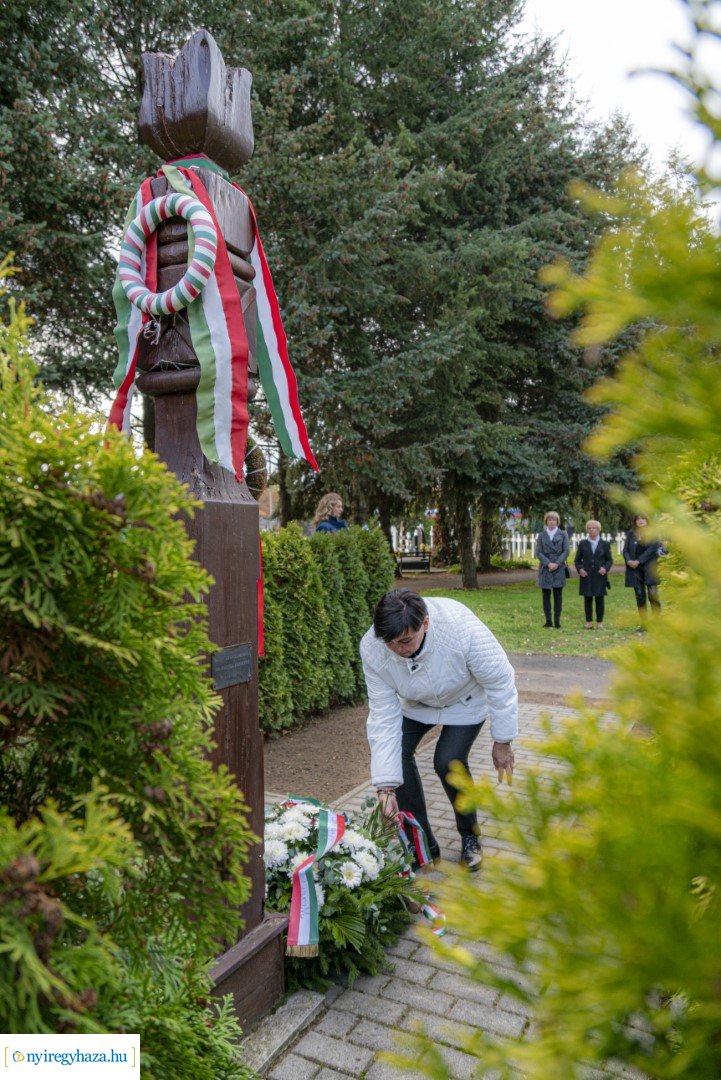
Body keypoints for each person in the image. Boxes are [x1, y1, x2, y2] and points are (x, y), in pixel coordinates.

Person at [360, 589, 518, 872]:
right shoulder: (372, 647)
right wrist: (385, 786)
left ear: (425, 624)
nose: (398, 649)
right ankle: (420, 845)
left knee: (448, 761)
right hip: (416, 703)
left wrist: (502, 740)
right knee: (398, 758)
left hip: (464, 700)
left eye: (405, 641)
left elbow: (500, 680)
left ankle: (470, 836)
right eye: (390, 643)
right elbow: (383, 714)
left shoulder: (459, 627)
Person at [574, 519, 613, 629]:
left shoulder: (605, 544)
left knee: (599, 599)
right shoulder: (583, 543)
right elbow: (577, 560)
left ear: (599, 529)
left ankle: (600, 623)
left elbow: (609, 560)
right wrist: (580, 569)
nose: (591, 530)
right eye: (589, 528)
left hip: (599, 575)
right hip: (586, 575)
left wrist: (605, 568)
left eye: (594, 528)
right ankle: (589, 623)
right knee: (588, 599)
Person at [623, 515, 663, 621]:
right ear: (635, 521)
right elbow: (626, 550)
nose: (640, 521)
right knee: (640, 596)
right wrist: (628, 561)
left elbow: (652, 549)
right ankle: (644, 624)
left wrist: (639, 561)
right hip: (635, 569)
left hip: (649, 568)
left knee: (653, 595)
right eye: (638, 519)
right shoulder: (631, 533)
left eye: (643, 519)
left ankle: (657, 622)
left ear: (647, 520)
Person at [535, 511, 570, 629]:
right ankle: (548, 621)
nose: (551, 522)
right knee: (546, 595)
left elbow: (566, 551)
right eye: (549, 519)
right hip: (546, 568)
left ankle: (557, 621)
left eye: (554, 520)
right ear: (546, 521)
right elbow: (538, 552)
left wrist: (557, 563)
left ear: (557, 521)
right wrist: (548, 563)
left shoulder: (563, 534)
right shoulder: (542, 535)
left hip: (559, 568)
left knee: (558, 595)